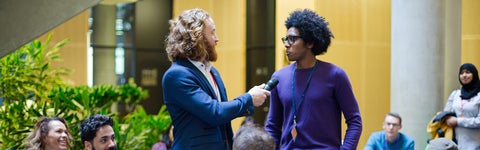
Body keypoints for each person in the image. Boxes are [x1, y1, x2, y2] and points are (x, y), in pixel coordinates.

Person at [162, 8, 270, 150]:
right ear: (197, 37)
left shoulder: (213, 72)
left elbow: (222, 117)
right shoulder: (176, 75)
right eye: (212, 32)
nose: (217, 38)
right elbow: (214, 112)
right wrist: (249, 98)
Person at [265, 9, 362, 149]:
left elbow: (354, 121)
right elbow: (272, 126)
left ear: (309, 43)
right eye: (286, 39)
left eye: (292, 39)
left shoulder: (335, 75)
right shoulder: (278, 77)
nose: (286, 44)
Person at [443, 63, 480, 149]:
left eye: (467, 72)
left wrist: (458, 121)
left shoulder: (479, 95)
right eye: (461, 73)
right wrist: (446, 118)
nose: (464, 75)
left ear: (474, 74)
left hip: (475, 145)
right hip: (455, 144)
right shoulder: (455, 94)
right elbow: (445, 113)